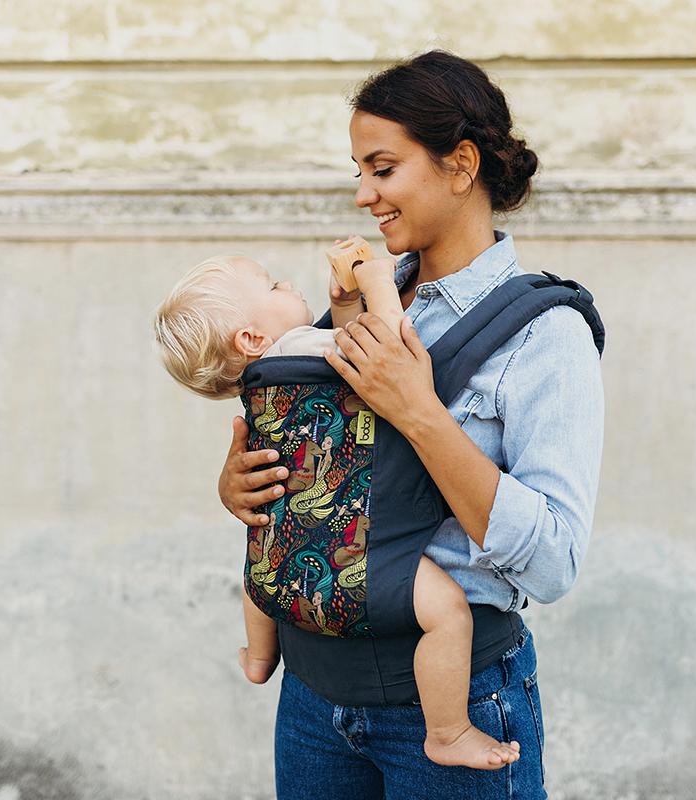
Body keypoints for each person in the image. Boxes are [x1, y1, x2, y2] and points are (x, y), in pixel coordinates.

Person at [218, 50, 604, 799]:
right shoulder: (356, 310)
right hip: (312, 696)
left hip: (453, 699)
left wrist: (420, 413)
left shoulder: (545, 334)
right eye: (357, 170)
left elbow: (554, 562)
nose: (363, 194)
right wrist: (241, 485)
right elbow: (316, 471)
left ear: (460, 164)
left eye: (383, 168)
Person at [153, 250, 520, 769]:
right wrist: (373, 282)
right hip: (362, 554)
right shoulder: (301, 347)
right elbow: (389, 350)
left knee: (262, 567)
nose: (289, 286)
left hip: (285, 552)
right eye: (275, 285)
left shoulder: (265, 382)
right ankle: (449, 730)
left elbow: (338, 368)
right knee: (449, 616)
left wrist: (341, 307)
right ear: (253, 339)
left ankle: (259, 658)